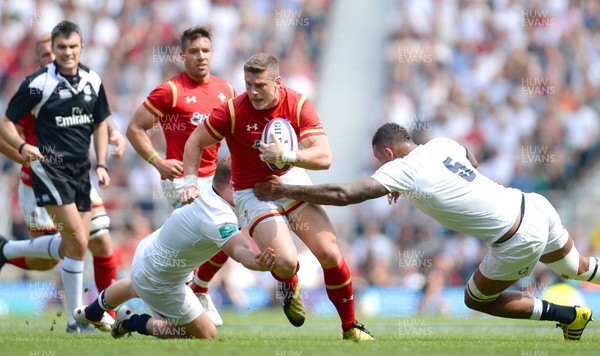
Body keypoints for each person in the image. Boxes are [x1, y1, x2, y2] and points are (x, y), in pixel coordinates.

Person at [254, 122, 599, 341]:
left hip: (516, 237)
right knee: (578, 268)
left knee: (477, 299)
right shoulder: (442, 145)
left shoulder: (404, 169)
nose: (382, 170)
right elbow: (472, 161)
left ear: (388, 153)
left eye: (380, 162)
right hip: (534, 205)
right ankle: (575, 313)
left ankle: (568, 316)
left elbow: (346, 195)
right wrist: (410, 185)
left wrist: (286, 191)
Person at [180, 53, 374, 341]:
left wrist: (287, 155)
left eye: (260, 85)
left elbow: (324, 157)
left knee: (330, 253)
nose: (253, 92)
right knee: (285, 261)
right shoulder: (233, 111)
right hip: (251, 192)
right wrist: (190, 181)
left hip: (289, 180)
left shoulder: (296, 103)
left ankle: (351, 327)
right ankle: (288, 281)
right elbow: (195, 141)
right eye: (248, 85)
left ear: (277, 82)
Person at [73, 156, 276, 339]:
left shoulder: (203, 184)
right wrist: (258, 262)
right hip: (160, 281)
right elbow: (239, 251)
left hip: (148, 252)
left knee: (135, 284)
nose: (253, 189)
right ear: (232, 185)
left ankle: (91, 312)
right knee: (206, 334)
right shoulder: (219, 217)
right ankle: (131, 323)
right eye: (248, 182)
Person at [0, 21, 111, 333]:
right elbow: (5, 122)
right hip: (49, 171)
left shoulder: (93, 78)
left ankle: (5, 250)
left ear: (81, 47)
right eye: (60, 47)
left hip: (81, 173)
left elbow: (101, 122)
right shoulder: (38, 83)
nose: (66, 53)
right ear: (52, 51)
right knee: (76, 240)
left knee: (76, 244)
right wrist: (23, 147)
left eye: (72, 46)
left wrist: (101, 163)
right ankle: (77, 320)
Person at [126, 26, 235, 327]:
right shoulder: (171, 91)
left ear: (213, 53)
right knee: (223, 228)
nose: (201, 56)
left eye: (205, 50)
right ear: (182, 54)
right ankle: (192, 288)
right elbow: (134, 128)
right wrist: (157, 161)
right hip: (180, 179)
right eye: (194, 51)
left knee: (229, 230)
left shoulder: (226, 91)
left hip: (213, 180)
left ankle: (193, 287)